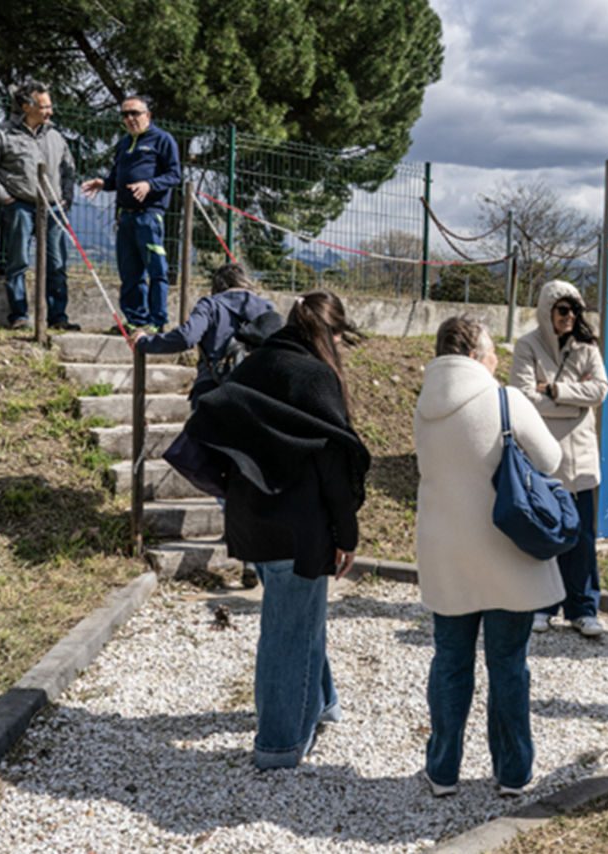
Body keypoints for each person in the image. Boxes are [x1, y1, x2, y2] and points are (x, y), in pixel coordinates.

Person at [183, 291, 370, 769]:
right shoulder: (316, 376)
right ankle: (279, 744)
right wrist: (346, 535)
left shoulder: (253, 364)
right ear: (330, 334)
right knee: (287, 632)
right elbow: (334, 467)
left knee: (300, 618)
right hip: (299, 528)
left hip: (251, 521)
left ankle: (323, 703)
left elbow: (214, 421)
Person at [414, 316, 565, 797]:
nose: (498, 356)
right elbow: (550, 460)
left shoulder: (424, 405)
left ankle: (442, 770)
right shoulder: (505, 399)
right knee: (508, 665)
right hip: (506, 548)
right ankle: (513, 772)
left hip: (445, 551)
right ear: (478, 355)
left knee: (450, 661)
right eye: (492, 350)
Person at [510, 280, 608, 638]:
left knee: (583, 535)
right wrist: (575, 402)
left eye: (574, 310)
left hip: (581, 458)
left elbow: (600, 390)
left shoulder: (588, 348)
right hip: (543, 458)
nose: (569, 317)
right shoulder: (527, 346)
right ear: (546, 310)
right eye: (562, 309)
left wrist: (554, 389)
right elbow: (522, 397)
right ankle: (542, 605)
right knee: (546, 533)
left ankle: (584, 609)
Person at [0, 80, 78, 330]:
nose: (49, 111)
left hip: (53, 208)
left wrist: (66, 197)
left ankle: (58, 317)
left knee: (57, 264)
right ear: (25, 106)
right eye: (43, 107)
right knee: (17, 262)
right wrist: (4, 197)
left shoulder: (56, 136)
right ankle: (19, 315)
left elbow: (69, 170)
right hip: (19, 205)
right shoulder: (1, 134)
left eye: (50, 106)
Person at [81, 94, 181, 333]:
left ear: (148, 115)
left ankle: (157, 322)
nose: (129, 119)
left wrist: (150, 185)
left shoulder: (163, 140)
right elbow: (117, 178)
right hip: (125, 216)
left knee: (156, 270)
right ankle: (136, 320)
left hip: (149, 215)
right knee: (130, 271)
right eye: (124, 114)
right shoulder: (124, 144)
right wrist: (103, 184)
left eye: (134, 113)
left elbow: (175, 175)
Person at [132, 263, 276, 406]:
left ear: (217, 285)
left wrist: (145, 342)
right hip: (255, 394)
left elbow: (186, 337)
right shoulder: (267, 308)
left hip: (213, 391)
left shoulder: (211, 305)